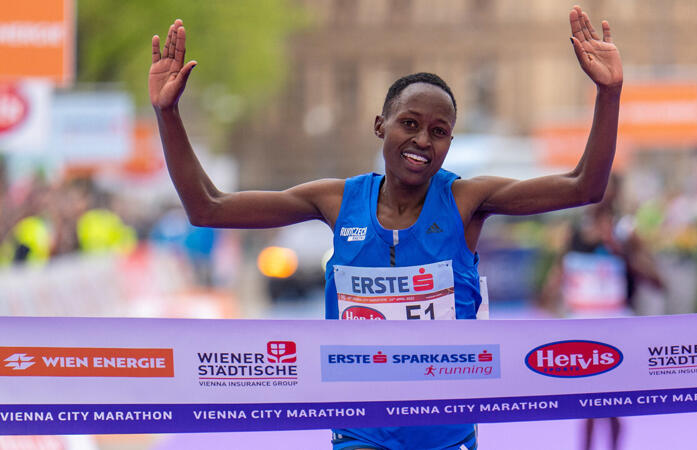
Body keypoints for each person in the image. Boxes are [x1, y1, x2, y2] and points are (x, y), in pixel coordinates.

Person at [149, 5, 622, 449]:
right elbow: (207, 208)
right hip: (360, 430)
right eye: (409, 123)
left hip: (447, 434)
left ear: (450, 142)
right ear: (381, 125)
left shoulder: (466, 201)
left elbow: (584, 186)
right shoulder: (337, 200)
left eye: (439, 132)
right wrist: (167, 114)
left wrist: (608, 93)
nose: (422, 140)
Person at [540, 175, 664, 450]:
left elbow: (657, 281)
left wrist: (621, 252)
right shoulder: (573, 231)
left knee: (612, 405)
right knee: (586, 405)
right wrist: (548, 308)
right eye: (598, 185)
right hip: (580, 326)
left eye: (609, 189)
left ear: (617, 194)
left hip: (616, 326)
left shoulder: (625, 231)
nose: (601, 194)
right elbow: (555, 277)